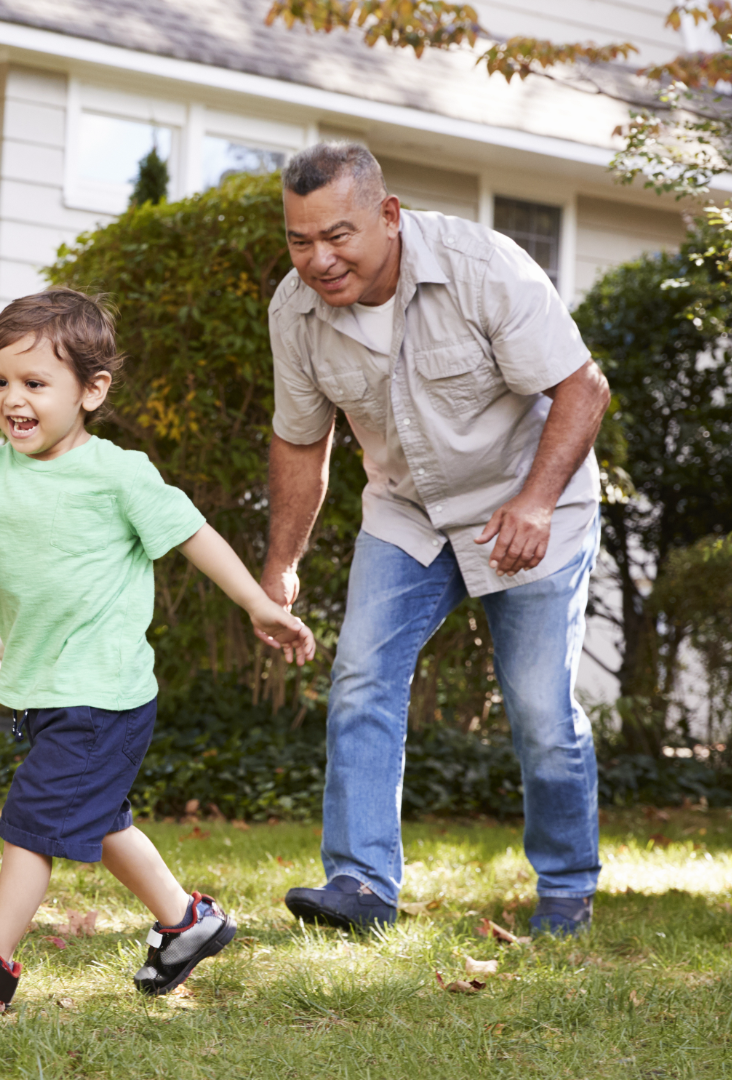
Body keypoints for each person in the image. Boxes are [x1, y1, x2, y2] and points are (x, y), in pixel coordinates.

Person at [0, 288, 315, 1012]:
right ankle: (188, 922)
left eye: (35, 383)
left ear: (92, 390)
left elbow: (193, 536)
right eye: (0, 382)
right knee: (99, 820)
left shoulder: (118, 472)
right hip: (42, 688)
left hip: (104, 692)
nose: (13, 400)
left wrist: (258, 601)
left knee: (31, 822)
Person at [262, 143, 610, 938]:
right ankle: (360, 883)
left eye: (337, 236)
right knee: (361, 677)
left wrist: (534, 502)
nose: (319, 259)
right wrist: (282, 563)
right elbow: (298, 442)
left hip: (528, 503)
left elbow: (581, 387)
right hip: (408, 510)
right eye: (299, 240)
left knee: (540, 710)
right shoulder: (296, 312)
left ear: (388, 215)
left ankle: (564, 889)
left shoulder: (484, 266)